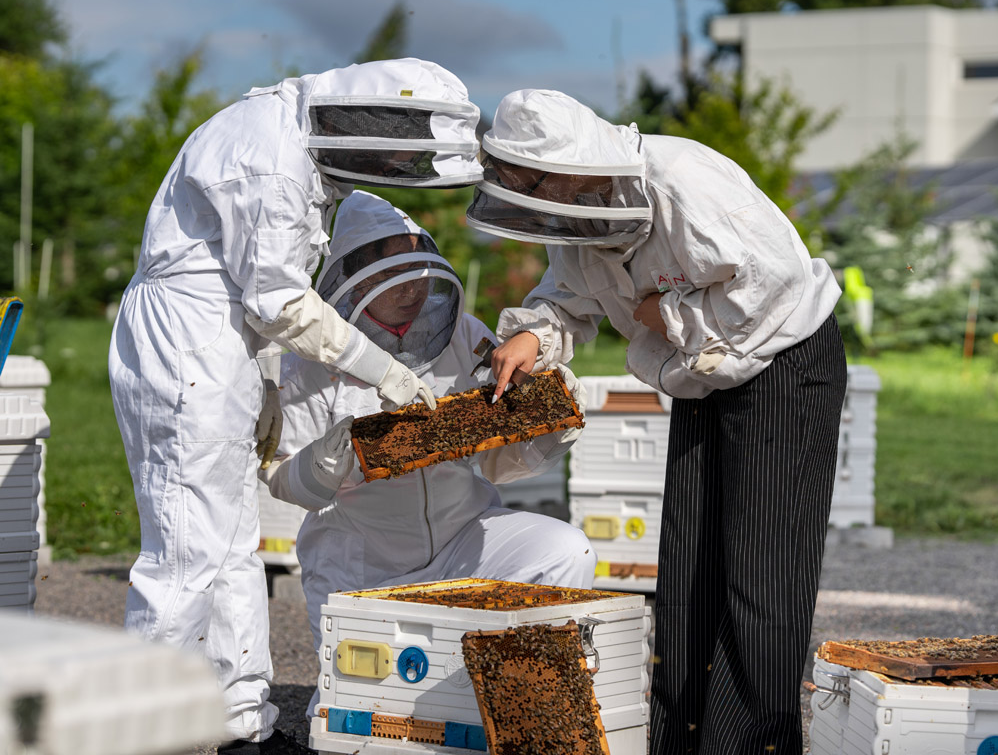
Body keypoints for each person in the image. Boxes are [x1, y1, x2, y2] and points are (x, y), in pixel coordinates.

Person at [107, 59, 483, 754]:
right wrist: (389, 374)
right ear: (374, 119)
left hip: (220, 346)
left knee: (232, 546)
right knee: (189, 550)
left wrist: (263, 378)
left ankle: (238, 718)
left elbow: (250, 284)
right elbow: (277, 299)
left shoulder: (293, 142)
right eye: (403, 148)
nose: (402, 162)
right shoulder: (272, 158)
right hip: (189, 346)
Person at [465, 89, 847, 755]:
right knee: (689, 569)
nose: (538, 197)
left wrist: (660, 316)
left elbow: (771, 283)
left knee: (760, 577)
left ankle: (752, 746)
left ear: (574, 163)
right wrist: (533, 337)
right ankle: (684, 743)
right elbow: (570, 292)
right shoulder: (578, 208)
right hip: (702, 374)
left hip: (786, 361)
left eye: (539, 182)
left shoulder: (683, 180)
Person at [262, 191, 595, 711]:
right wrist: (324, 464)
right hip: (360, 562)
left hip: (464, 540)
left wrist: (548, 431)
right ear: (360, 277)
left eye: (420, 265)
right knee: (350, 719)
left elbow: (492, 460)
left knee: (563, 552)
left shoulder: (463, 335)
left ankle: (517, 701)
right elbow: (280, 476)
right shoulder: (307, 367)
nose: (415, 285)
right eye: (397, 268)